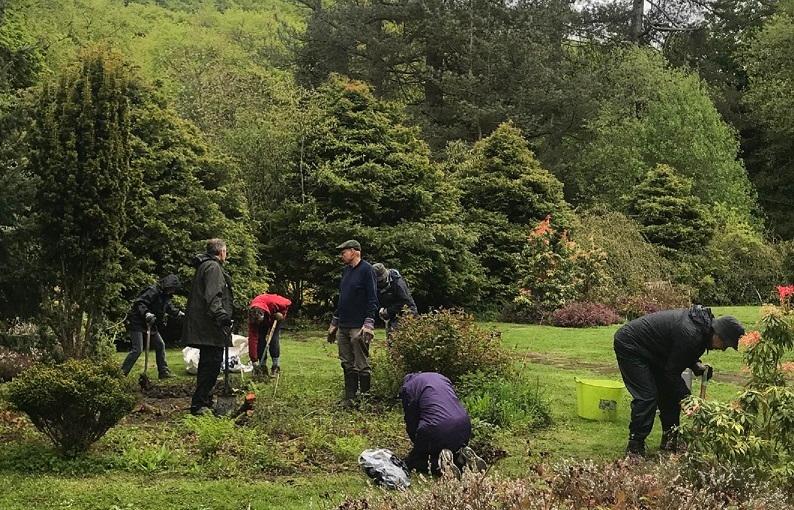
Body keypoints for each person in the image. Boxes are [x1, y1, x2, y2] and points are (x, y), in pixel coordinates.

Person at [614, 305, 744, 455]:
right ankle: (634, 446)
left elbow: (680, 354)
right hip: (632, 346)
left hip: (656, 352)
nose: (723, 349)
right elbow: (672, 373)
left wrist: (696, 367)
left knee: (669, 396)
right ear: (719, 334)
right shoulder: (692, 333)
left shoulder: (701, 330)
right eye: (725, 344)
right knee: (647, 396)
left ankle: (670, 442)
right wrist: (688, 399)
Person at [399, 372, 486, 476]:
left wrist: (418, 444)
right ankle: (462, 453)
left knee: (415, 461)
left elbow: (411, 419)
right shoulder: (440, 377)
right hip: (464, 424)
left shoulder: (408, 387)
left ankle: (444, 465)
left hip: (436, 427)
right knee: (449, 443)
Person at [183, 239, 234, 416]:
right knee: (211, 365)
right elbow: (213, 296)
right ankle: (199, 404)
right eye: (226, 251)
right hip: (210, 327)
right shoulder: (213, 267)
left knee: (208, 364)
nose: (226, 255)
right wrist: (221, 316)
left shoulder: (205, 266)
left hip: (206, 326)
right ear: (221, 252)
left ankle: (204, 400)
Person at [326, 240, 378, 405]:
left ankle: (364, 399)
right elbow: (343, 298)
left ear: (355, 251)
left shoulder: (367, 270)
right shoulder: (346, 271)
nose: (342, 255)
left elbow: (372, 298)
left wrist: (369, 323)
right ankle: (350, 398)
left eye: (344, 252)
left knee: (361, 363)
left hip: (359, 325)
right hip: (344, 324)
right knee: (346, 362)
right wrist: (335, 321)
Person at [120, 274, 183, 379]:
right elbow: (140, 303)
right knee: (138, 349)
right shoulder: (153, 291)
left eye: (174, 289)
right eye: (172, 288)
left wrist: (179, 313)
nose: (173, 291)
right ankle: (121, 374)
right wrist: (146, 313)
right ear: (167, 286)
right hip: (138, 321)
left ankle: (163, 372)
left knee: (160, 345)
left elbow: (169, 308)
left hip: (151, 323)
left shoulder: (165, 296)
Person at [247, 293, 292, 377]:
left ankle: (275, 366)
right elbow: (252, 339)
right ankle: (262, 366)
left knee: (273, 339)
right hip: (264, 316)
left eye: (259, 321)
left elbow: (288, 302)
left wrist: (282, 314)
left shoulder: (274, 302)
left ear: (262, 314)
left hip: (275, 316)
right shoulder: (252, 316)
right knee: (260, 339)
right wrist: (254, 360)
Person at [372, 263, 418, 337]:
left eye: (380, 280)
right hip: (392, 315)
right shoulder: (375, 284)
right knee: (391, 339)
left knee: (397, 337)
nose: (379, 282)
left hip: (407, 312)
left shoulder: (398, 283)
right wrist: (381, 309)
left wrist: (388, 311)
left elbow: (404, 303)